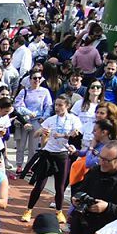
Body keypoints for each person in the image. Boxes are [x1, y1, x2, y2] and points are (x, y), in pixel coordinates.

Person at [21, 96, 82, 224]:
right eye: (56, 105)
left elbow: (76, 132)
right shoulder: (51, 119)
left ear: (67, 106)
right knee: (39, 186)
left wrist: (63, 135)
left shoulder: (73, 119)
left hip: (63, 155)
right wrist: (42, 131)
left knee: (60, 187)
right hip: (48, 154)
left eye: (60, 105)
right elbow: (36, 134)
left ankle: (59, 212)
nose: (57, 108)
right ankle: (28, 210)